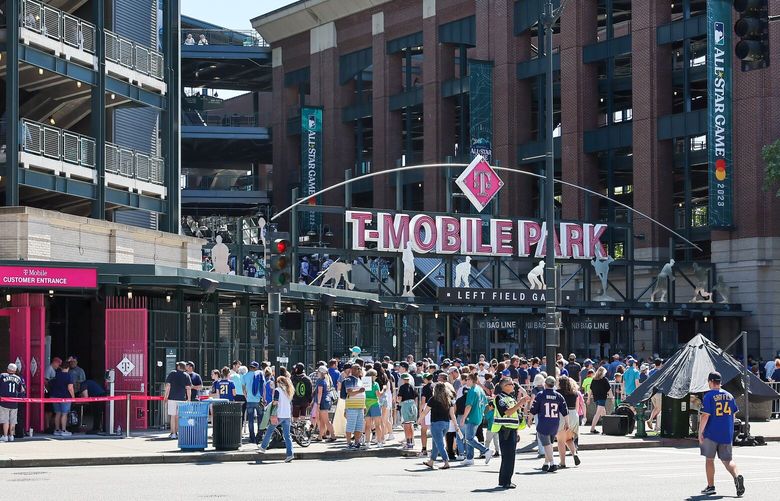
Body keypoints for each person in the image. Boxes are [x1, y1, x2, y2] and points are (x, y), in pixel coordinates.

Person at [698, 371, 745, 497]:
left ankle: (711, 486)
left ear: (710, 382)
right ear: (720, 382)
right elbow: (733, 415)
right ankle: (737, 476)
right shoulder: (729, 396)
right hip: (726, 433)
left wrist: (700, 433)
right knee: (727, 460)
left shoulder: (708, 396)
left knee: (709, 459)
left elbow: (705, 416)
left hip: (711, 432)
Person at [531, 375, 568, 472]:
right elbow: (565, 410)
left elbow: (534, 408)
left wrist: (529, 419)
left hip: (544, 422)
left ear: (545, 384)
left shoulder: (540, 394)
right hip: (554, 423)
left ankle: (552, 463)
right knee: (549, 444)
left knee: (547, 445)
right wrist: (567, 422)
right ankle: (546, 463)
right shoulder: (558, 396)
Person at [418, 381, 459, 470]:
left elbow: (425, 411)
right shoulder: (448, 400)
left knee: (439, 444)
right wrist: (456, 425)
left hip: (436, 424)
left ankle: (446, 462)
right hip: (446, 424)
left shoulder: (433, 399)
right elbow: (452, 414)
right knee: (435, 443)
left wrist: (419, 419)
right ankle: (431, 461)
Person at [491, 377, 523, 488]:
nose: (513, 386)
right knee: (507, 457)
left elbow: (515, 415)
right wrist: (521, 403)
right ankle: (504, 481)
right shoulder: (500, 398)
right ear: (504, 386)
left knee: (511, 457)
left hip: (512, 430)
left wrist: (517, 431)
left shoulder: (511, 398)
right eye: (511, 384)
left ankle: (506, 480)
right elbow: (507, 412)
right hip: (505, 431)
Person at [257, 376, 295, 462]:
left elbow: (275, 402)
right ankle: (290, 454)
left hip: (279, 414)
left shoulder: (278, 390)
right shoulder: (288, 391)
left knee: (270, 431)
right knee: (287, 435)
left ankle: (263, 447)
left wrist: (271, 404)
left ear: (278, 383)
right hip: (287, 415)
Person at [460, 373, 492, 465]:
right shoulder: (480, 389)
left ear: (472, 380)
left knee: (469, 438)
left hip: (472, 417)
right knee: (470, 438)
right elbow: (486, 404)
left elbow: (468, 406)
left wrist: (463, 418)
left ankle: (486, 450)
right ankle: (470, 458)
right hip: (478, 416)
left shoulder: (472, 391)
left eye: (468, 379)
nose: (466, 381)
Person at [555, 376, 581, 468]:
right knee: (569, 439)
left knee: (561, 441)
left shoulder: (557, 393)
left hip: (563, 415)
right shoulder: (574, 393)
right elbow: (577, 406)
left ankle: (562, 462)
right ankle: (574, 454)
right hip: (574, 414)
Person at [163, 361, 192, 439]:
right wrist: (189, 399)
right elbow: (188, 388)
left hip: (172, 398)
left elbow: (168, 386)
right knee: (179, 416)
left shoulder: (172, 373)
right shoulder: (186, 375)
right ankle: (178, 433)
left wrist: (166, 396)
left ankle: (173, 433)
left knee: (173, 416)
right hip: (182, 398)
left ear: (179, 367)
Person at [0, 364, 25, 442]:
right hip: (14, 402)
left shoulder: (2, 376)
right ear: (15, 370)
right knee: (13, 421)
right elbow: (22, 391)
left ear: (8, 369)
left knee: (5, 420)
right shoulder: (18, 378)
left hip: (4, 402)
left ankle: (5, 436)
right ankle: (11, 436)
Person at [344, 364, 366, 450]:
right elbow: (349, 392)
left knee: (359, 426)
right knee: (350, 425)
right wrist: (359, 390)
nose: (360, 370)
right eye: (358, 369)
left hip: (360, 407)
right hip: (352, 407)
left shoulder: (360, 380)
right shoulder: (349, 379)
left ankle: (357, 442)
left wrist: (364, 406)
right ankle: (349, 443)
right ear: (353, 370)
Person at [50, 362, 74, 437]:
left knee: (57, 413)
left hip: (54, 396)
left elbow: (51, 384)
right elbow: (70, 388)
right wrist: (73, 397)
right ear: (68, 368)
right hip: (65, 397)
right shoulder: (68, 376)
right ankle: (63, 430)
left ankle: (57, 430)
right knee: (64, 414)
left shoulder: (56, 375)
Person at [243, 362, 264, 444]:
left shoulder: (245, 376)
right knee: (260, 419)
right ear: (256, 367)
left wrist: (247, 397)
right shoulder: (259, 374)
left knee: (250, 420)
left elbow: (244, 389)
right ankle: (259, 436)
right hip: (258, 400)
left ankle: (252, 437)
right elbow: (263, 387)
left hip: (249, 400)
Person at [312, 366, 334, 442]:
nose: (316, 373)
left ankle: (333, 436)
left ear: (321, 373)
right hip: (325, 401)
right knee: (322, 420)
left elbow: (320, 393)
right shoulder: (325, 380)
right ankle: (320, 436)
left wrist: (318, 404)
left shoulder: (320, 381)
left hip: (322, 402)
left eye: (318, 372)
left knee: (326, 420)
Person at [397, 373, 418, 449]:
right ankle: (412, 442)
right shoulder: (412, 386)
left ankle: (408, 442)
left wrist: (398, 402)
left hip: (405, 405)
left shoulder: (402, 387)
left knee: (406, 425)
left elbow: (399, 397)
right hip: (412, 405)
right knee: (411, 424)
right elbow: (415, 397)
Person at [589, 367, 611, 433]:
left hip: (596, 398)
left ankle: (606, 429)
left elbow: (590, 389)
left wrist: (589, 398)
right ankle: (592, 429)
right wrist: (612, 397)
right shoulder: (604, 379)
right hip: (602, 398)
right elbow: (609, 389)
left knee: (603, 414)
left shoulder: (594, 379)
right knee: (598, 414)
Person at [418, 372, 434, 457]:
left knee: (423, 430)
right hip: (435, 409)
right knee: (434, 431)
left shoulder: (425, 388)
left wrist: (420, 411)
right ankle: (434, 449)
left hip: (427, 409)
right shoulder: (435, 386)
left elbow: (423, 401)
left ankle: (424, 449)